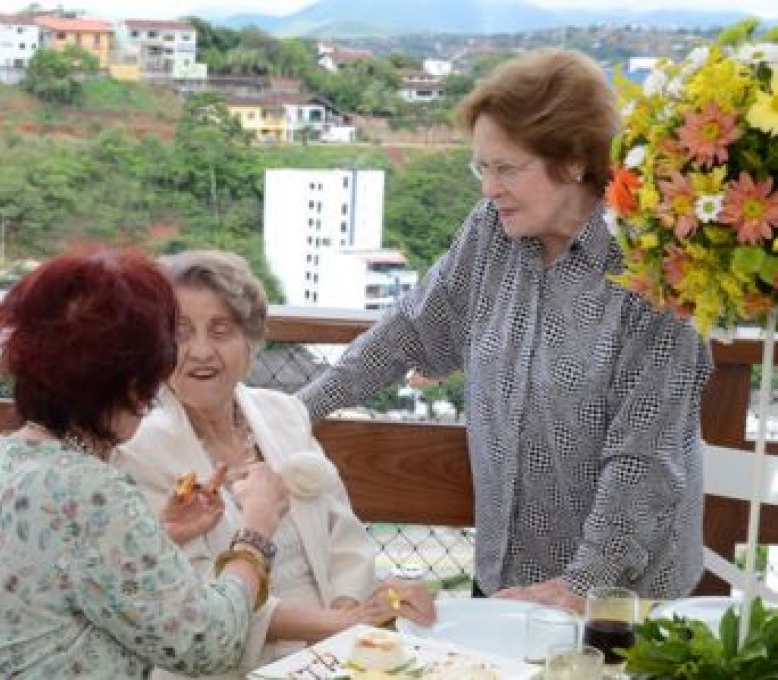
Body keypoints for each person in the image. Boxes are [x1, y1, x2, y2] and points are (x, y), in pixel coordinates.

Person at [298, 48, 713, 613]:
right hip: (506, 580)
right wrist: (291, 415)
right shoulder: (492, 231)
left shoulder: (653, 266)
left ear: (571, 161)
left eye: (507, 168)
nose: (489, 188)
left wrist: (581, 584)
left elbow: (645, 459)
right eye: (482, 167)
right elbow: (407, 330)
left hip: (619, 600)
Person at [0, 250, 289, 678]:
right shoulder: (87, 489)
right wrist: (255, 533)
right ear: (127, 382)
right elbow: (207, 645)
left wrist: (161, 536)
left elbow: (61, 579)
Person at [113, 250, 435, 678]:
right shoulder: (140, 447)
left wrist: (344, 628)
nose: (201, 351)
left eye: (221, 330)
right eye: (181, 333)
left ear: (251, 341)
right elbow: (193, 599)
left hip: (330, 655)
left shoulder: (283, 413)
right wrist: (338, 626)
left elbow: (345, 541)